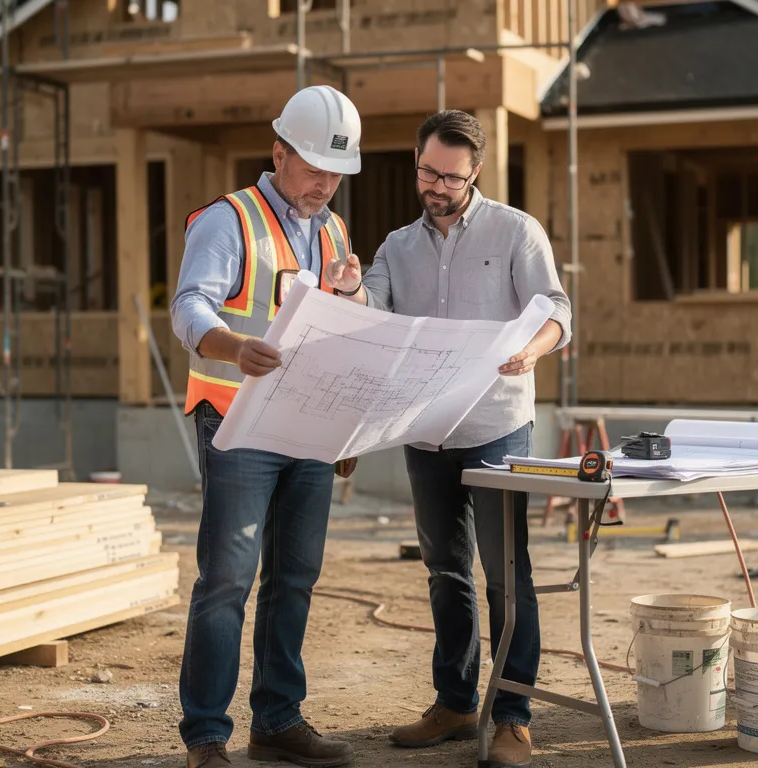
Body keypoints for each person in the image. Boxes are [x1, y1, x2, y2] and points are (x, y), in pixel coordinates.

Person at [326, 109, 571, 768]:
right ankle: (457, 702)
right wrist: (351, 288)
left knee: (506, 575)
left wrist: (533, 348)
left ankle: (513, 718)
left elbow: (557, 310)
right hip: (426, 429)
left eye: (450, 177)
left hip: (497, 428)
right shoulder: (397, 246)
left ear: (476, 172)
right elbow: (373, 311)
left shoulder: (516, 231)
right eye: (427, 172)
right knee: (445, 572)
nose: (436, 187)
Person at [170, 85, 363, 768]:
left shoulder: (334, 232)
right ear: (278, 153)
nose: (324, 185)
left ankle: (277, 721)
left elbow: (343, 331)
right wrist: (231, 346)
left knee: (295, 577)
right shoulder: (229, 220)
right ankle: (206, 737)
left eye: (336, 173)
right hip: (238, 423)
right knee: (227, 579)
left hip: (310, 430)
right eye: (313, 169)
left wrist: (345, 429)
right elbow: (188, 306)